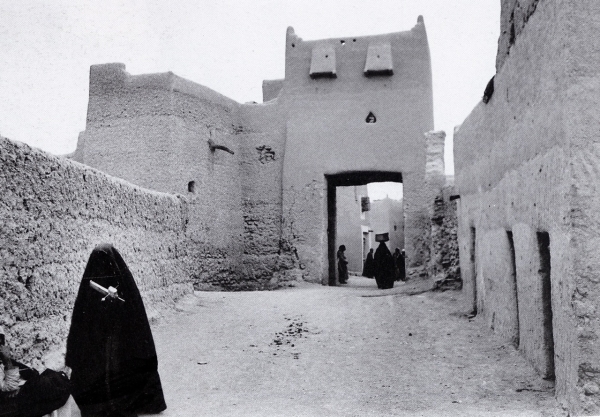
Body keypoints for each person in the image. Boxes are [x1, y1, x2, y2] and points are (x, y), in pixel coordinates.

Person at [66, 244, 167, 417]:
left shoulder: (124, 284)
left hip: (120, 338)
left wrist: (117, 303)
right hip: (98, 340)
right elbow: (83, 321)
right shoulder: (90, 286)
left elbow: (134, 318)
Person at [0, 333, 70, 417]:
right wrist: (7, 361)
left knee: (55, 385)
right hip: (11, 403)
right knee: (52, 388)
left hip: (21, 393)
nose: (2, 346)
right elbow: (10, 388)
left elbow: (25, 372)